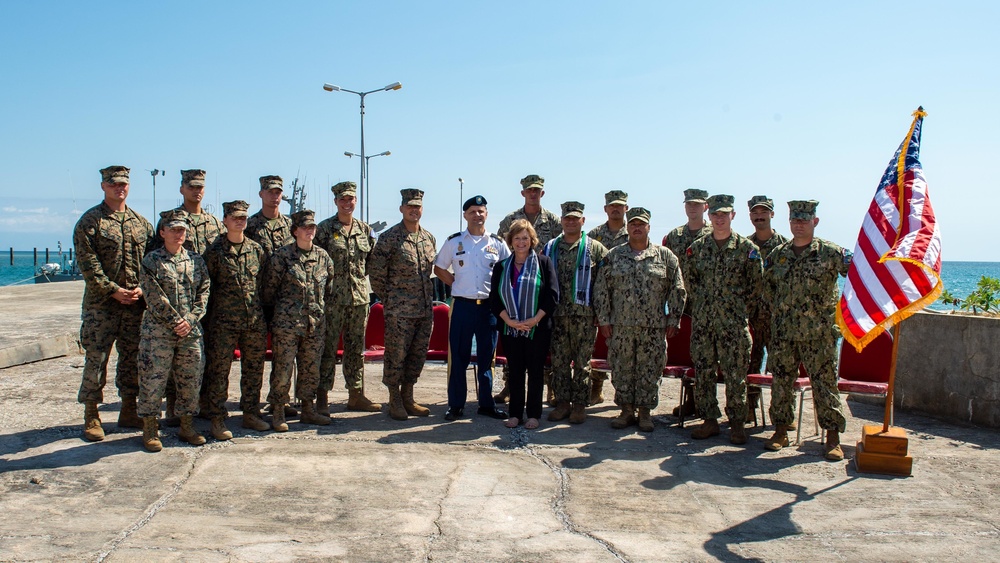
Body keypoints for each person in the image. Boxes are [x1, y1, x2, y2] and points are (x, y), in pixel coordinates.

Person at [763, 200, 851, 461]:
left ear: (815, 221)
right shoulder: (777, 255)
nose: (798, 225)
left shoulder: (831, 253)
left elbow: (859, 277)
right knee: (781, 384)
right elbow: (767, 289)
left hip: (819, 335)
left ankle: (832, 437)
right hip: (784, 333)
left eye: (803, 220)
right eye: (795, 220)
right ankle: (781, 431)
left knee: (825, 385)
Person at [73, 165, 154, 441]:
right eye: (114, 184)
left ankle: (129, 408)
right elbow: (88, 264)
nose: (119, 188)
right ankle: (91, 414)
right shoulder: (90, 222)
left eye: (123, 184)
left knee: (132, 358)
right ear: (103, 186)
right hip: (102, 306)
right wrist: (113, 290)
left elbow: (151, 262)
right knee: (96, 359)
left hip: (135, 305)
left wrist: (142, 287)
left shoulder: (141, 224)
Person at [594, 207, 686, 432]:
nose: (637, 228)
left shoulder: (665, 256)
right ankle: (626, 410)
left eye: (641, 224)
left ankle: (645, 412)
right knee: (622, 367)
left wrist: (674, 319)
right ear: (627, 227)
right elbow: (601, 288)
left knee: (650, 369)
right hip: (621, 326)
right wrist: (604, 319)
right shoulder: (613, 256)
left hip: (653, 327)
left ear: (648, 227)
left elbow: (677, 289)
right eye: (633, 224)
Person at [685, 195, 763, 444]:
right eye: (715, 214)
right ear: (709, 216)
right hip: (704, 324)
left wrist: (736, 308)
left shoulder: (747, 250)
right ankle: (709, 420)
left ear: (733, 216)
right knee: (704, 372)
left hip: (733, 325)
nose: (719, 219)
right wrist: (705, 306)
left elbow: (756, 287)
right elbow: (690, 283)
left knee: (735, 375)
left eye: (724, 214)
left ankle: (737, 423)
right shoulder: (697, 249)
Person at [136, 209, 211, 452]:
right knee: (153, 380)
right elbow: (154, 296)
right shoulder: (151, 261)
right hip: (159, 332)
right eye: (174, 229)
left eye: (182, 230)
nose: (179, 234)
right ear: (162, 232)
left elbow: (204, 291)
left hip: (190, 331)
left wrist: (190, 319)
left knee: (190, 379)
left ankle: (186, 425)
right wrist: (175, 321)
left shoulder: (196, 260)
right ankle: (150, 428)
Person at [157, 169, 225, 426]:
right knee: (176, 356)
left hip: (208, 300)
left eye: (200, 187)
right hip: (179, 302)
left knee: (206, 355)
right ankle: (174, 406)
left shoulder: (215, 223)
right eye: (191, 186)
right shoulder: (171, 220)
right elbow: (157, 258)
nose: (196, 191)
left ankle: (204, 402)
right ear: (182, 189)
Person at [434, 195, 511, 421]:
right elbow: (439, 268)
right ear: (465, 215)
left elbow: (508, 270)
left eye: (481, 211)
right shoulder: (454, 242)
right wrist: (455, 283)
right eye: (472, 212)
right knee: (458, 357)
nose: (477, 215)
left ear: (486, 214)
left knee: (487, 357)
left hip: (488, 308)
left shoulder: (497, 243)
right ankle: (456, 405)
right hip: (462, 306)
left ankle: (486, 404)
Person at [200, 200, 270, 436]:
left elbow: (264, 286)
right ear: (225, 220)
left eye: (243, 218)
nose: (240, 221)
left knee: (254, 370)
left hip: (253, 321)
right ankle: (217, 418)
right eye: (235, 218)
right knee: (219, 371)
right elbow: (207, 287)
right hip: (223, 323)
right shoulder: (214, 252)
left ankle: (251, 413)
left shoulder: (256, 250)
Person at [261, 210, 335, 431]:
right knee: (282, 369)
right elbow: (269, 291)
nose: (309, 230)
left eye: (312, 227)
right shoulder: (281, 257)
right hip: (287, 325)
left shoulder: (323, 257)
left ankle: (308, 409)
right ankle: (278, 411)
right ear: (295, 231)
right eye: (304, 227)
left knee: (311, 369)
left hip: (315, 324)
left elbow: (329, 289)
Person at [368, 189, 438, 421]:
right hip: (399, 311)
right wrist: (391, 300)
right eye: (409, 206)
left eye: (417, 206)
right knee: (396, 356)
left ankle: (408, 397)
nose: (413, 210)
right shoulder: (389, 238)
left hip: (424, 310)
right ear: (401, 209)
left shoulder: (428, 238)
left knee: (417, 356)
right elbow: (376, 274)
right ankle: (394, 399)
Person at [495, 173, 562, 404]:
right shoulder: (510, 220)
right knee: (514, 353)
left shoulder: (553, 221)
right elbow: (501, 248)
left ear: (542, 193)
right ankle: (509, 387)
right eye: (529, 190)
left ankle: (550, 388)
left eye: (536, 190)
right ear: (523, 192)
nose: (533, 194)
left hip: (540, 286)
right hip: (513, 286)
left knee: (541, 349)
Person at [315, 181, 381, 415]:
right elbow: (315, 262)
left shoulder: (365, 230)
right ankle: (322, 397)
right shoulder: (324, 229)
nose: (347, 203)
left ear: (355, 200)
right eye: (342, 199)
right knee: (328, 349)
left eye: (350, 199)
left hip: (359, 299)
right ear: (335, 201)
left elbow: (372, 262)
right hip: (332, 300)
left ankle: (355, 395)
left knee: (355, 349)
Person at [543, 201, 608, 424]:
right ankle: (562, 402)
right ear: (561, 221)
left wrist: (601, 313)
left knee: (582, 363)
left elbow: (604, 283)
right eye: (567, 218)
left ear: (583, 220)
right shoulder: (550, 247)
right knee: (559, 361)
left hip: (585, 315)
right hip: (557, 315)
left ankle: (580, 404)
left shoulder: (595, 248)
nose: (571, 222)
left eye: (575, 218)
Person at [490, 220, 559, 429]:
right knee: (515, 372)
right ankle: (515, 414)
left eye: (525, 238)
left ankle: (534, 414)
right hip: (510, 329)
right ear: (511, 241)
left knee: (536, 372)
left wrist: (535, 319)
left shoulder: (544, 263)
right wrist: (509, 321)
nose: (521, 242)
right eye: (517, 238)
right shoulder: (502, 266)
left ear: (532, 240)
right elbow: (494, 299)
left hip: (537, 328)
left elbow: (552, 295)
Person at [245, 174, 298, 420]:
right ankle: (250, 405)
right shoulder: (250, 225)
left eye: (278, 192)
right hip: (257, 299)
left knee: (284, 355)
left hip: (285, 302)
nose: (274, 196)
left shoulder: (290, 225)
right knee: (254, 356)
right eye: (270, 192)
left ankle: (280, 400)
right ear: (261, 194)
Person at [662, 188, 712, 419]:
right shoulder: (674, 237)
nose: (693, 208)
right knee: (686, 355)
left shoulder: (714, 234)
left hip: (706, 307)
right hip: (682, 307)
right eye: (689, 204)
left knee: (704, 356)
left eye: (697, 204)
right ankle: (690, 400)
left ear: (705, 207)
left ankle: (703, 402)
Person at [585, 190, 628, 404]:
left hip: (625, 301)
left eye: (619, 205)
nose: (615, 209)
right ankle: (596, 387)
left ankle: (625, 395)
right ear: (605, 209)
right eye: (612, 206)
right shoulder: (594, 235)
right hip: (599, 298)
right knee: (596, 345)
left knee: (623, 348)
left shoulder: (634, 232)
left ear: (626, 208)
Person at [745, 195, 788, 375]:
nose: (759, 216)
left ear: (772, 214)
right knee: (748, 368)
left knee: (780, 370)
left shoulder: (785, 247)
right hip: (750, 318)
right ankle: (751, 396)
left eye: (764, 212)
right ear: (750, 216)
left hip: (776, 319)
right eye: (755, 213)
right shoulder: (744, 246)